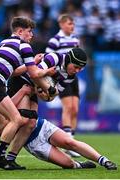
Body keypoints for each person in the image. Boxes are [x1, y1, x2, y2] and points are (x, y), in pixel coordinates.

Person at [0, 16, 56, 170]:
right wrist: (47, 76)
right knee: (17, 119)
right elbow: (34, 75)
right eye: (29, 31)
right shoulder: (24, 46)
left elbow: (14, 72)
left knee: (2, 122)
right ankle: (0, 157)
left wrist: (33, 61)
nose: (32, 35)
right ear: (20, 31)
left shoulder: (4, 42)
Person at [5, 47, 87, 167]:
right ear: (69, 60)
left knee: (31, 123)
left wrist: (45, 93)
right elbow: (34, 75)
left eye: (80, 68)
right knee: (16, 120)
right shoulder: (54, 58)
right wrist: (46, 85)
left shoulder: (70, 77)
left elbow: (51, 96)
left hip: (32, 90)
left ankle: (10, 159)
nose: (77, 70)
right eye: (75, 67)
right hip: (20, 82)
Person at [22, 109, 117, 170]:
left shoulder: (24, 82)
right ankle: (78, 165)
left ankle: (104, 161)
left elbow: (47, 97)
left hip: (41, 126)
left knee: (70, 142)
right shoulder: (11, 91)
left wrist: (48, 91)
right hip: (31, 140)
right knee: (68, 164)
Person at [45, 14, 81, 157]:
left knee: (75, 109)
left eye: (73, 24)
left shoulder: (75, 39)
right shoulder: (55, 40)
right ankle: (68, 142)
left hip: (74, 77)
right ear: (61, 24)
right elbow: (48, 57)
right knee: (68, 107)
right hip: (62, 77)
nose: (72, 26)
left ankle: (71, 140)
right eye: (69, 24)